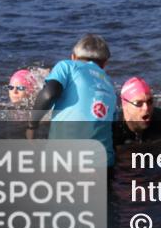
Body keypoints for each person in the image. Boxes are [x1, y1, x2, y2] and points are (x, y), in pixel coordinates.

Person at [28, 34, 118, 167]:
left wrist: (32, 126)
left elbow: (49, 94)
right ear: (105, 63)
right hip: (104, 164)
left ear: (73, 57)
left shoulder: (67, 66)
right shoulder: (110, 85)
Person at [112, 76, 161, 146]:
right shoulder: (111, 129)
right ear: (124, 105)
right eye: (138, 103)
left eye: (149, 101)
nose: (146, 108)